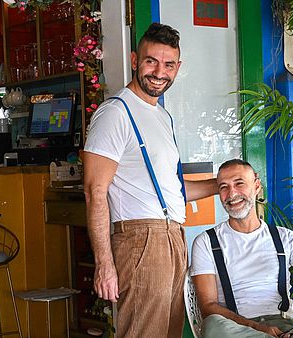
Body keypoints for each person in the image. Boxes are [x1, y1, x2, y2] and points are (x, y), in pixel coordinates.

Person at [83, 23, 218, 338]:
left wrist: (222, 185)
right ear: (134, 60)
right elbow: (95, 191)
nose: (159, 72)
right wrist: (104, 263)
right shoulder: (115, 113)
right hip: (140, 240)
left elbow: (173, 192)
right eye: (151, 61)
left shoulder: (161, 115)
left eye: (168, 64)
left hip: (172, 237)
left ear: (177, 68)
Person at [191, 159, 293, 338]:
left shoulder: (284, 237)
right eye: (223, 187)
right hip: (234, 327)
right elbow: (208, 307)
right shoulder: (206, 242)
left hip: (281, 322)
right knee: (212, 326)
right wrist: (257, 329)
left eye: (239, 183)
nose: (232, 193)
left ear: (256, 185)